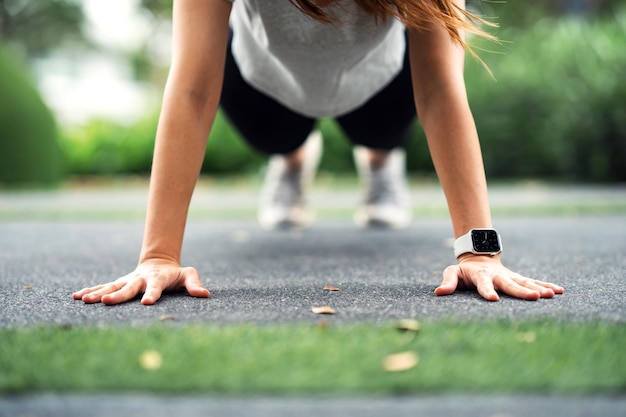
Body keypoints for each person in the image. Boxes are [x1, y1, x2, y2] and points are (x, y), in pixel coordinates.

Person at [73, 0, 564, 306]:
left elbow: (438, 89)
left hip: (379, 82)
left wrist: (478, 251)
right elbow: (194, 89)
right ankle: (291, 159)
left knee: (384, 130)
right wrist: (159, 255)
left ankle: (378, 160)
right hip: (266, 82)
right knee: (277, 136)